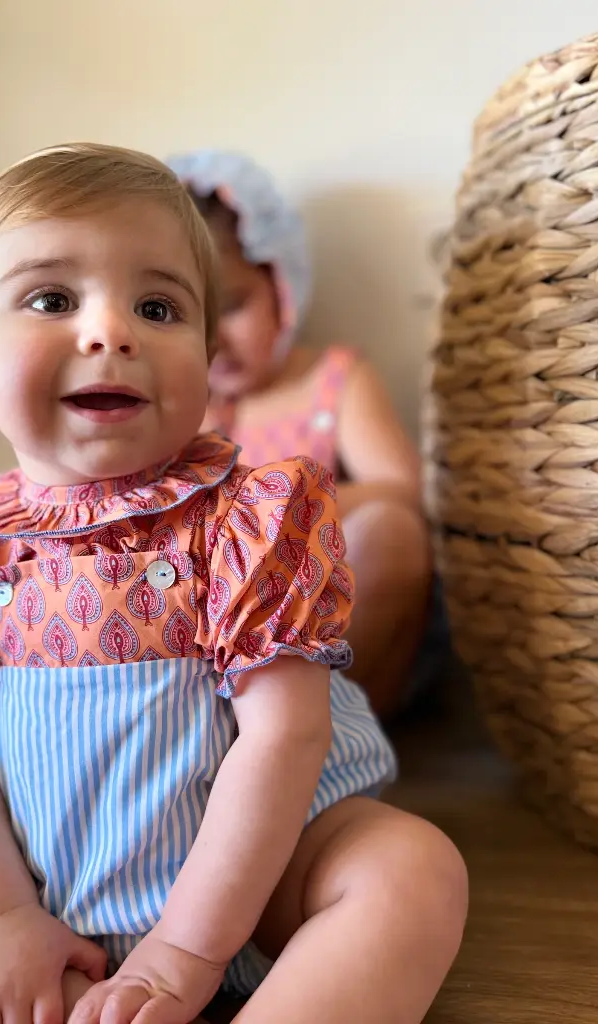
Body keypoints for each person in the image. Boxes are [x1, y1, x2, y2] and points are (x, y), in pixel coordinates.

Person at [0, 143, 467, 1024]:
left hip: (264, 874)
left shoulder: (248, 526)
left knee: (411, 872)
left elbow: (283, 741)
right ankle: (83, 1004)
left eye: (157, 305)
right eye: (51, 299)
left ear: (207, 353)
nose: (112, 331)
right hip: (50, 888)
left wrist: (185, 949)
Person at [167, 150, 452, 719]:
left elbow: (402, 489)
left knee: (393, 531)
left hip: (332, 637)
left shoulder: (332, 380)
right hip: (224, 648)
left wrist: (285, 508)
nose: (213, 338)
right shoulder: (178, 410)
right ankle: (215, 740)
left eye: (232, 306)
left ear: (282, 281)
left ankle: (333, 738)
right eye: (178, 315)